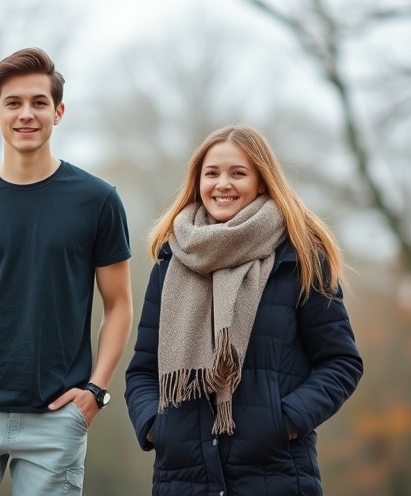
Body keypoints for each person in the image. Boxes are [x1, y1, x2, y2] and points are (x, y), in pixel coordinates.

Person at [0, 47, 133, 495]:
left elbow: (118, 305)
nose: (26, 114)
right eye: (13, 103)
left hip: (57, 418)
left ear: (58, 112)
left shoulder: (98, 201)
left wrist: (96, 392)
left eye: (39, 102)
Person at [124, 124, 363, 495]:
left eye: (238, 173)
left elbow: (341, 362)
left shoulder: (299, 259)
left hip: (276, 476)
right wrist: (156, 426)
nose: (223, 184)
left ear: (262, 181)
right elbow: (142, 370)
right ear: (198, 182)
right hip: (183, 480)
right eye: (212, 174)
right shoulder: (170, 262)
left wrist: (285, 421)